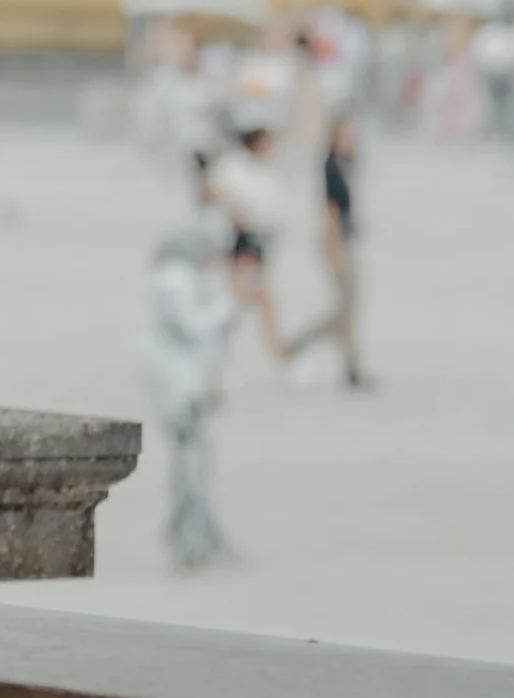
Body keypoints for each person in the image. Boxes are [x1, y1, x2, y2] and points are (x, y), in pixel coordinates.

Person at [141, 205, 240, 571]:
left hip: (189, 382)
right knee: (189, 464)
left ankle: (201, 537)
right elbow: (194, 328)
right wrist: (228, 306)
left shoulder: (191, 277)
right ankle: (188, 541)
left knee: (198, 464)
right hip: (175, 385)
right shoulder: (174, 280)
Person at [289, 110, 375, 388]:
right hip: (335, 242)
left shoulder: (344, 164)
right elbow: (329, 212)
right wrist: (333, 248)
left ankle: (348, 364)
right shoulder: (331, 167)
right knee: (345, 308)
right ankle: (303, 344)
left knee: (347, 308)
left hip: (343, 241)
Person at [204, 119, 288, 362]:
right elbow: (211, 187)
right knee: (256, 299)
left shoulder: (265, 168)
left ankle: (216, 349)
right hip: (243, 244)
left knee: (240, 300)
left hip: (260, 243)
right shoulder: (234, 165)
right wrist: (233, 210)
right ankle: (280, 356)